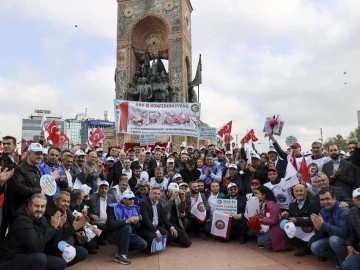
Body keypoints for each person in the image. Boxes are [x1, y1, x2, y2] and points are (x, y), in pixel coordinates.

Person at [0, 193, 67, 270]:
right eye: (36, 206)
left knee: (60, 263)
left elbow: (50, 243)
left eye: (42, 206)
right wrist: (52, 227)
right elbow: (36, 245)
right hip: (11, 260)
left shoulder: (42, 219)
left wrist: (58, 227)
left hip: (29, 255)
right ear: (29, 206)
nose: (40, 209)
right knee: (40, 259)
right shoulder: (21, 220)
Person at [44, 191, 88, 266]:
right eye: (64, 201)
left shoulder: (66, 211)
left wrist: (76, 233)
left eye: (68, 201)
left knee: (84, 250)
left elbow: (71, 227)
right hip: (53, 246)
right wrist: (73, 228)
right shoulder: (50, 213)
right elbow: (55, 239)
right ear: (56, 201)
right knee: (80, 253)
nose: (67, 204)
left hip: (66, 243)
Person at [309, 189, 350, 267]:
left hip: (345, 239)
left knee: (334, 240)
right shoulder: (322, 211)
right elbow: (321, 234)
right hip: (331, 238)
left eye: (327, 198)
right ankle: (339, 259)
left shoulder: (343, 210)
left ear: (334, 198)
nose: (325, 202)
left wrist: (323, 224)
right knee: (315, 247)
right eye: (322, 200)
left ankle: (344, 264)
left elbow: (343, 232)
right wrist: (317, 227)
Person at [106, 190, 147, 265]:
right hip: (114, 235)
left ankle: (122, 249)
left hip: (130, 235)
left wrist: (136, 222)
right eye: (129, 199)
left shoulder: (136, 208)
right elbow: (110, 225)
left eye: (133, 199)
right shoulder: (114, 207)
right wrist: (127, 221)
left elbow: (138, 227)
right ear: (123, 200)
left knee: (143, 244)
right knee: (127, 227)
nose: (132, 201)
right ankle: (121, 255)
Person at [281, 184, 321, 256]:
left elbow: (315, 220)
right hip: (300, 229)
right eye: (296, 191)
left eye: (301, 191)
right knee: (286, 230)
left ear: (306, 191)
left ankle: (311, 248)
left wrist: (297, 220)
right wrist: (287, 216)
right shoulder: (292, 205)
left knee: (315, 246)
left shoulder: (313, 203)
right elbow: (292, 219)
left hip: (313, 230)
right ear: (293, 192)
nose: (299, 193)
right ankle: (303, 248)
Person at [138, 187, 174, 252]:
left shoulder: (158, 203)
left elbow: (163, 217)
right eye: (154, 193)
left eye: (158, 194)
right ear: (149, 194)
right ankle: (146, 250)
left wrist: (171, 227)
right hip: (145, 227)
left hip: (155, 225)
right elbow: (146, 220)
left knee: (166, 233)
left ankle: (158, 247)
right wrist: (156, 231)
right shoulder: (144, 203)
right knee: (153, 237)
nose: (156, 195)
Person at [255, 186, 289, 251]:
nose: (257, 196)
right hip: (270, 227)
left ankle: (278, 243)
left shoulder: (271, 204)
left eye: (258, 194)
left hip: (276, 228)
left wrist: (260, 220)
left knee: (261, 241)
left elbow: (274, 221)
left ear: (264, 195)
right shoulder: (264, 203)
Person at [13, 143, 44, 210]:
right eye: (37, 154)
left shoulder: (37, 169)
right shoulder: (20, 169)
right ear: (29, 155)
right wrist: (40, 190)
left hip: (36, 207)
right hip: (24, 209)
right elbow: (21, 189)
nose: (40, 156)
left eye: (41, 154)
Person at [160, 183, 192, 247]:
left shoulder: (177, 196)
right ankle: (171, 238)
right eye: (173, 193)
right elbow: (163, 212)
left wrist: (183, 199)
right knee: (172, 237)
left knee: (187, 242)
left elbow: (181, 210)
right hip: (166, 223)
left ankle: (173, 237)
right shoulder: (161, 197)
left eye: (177, 193)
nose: (176, 194)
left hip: (177, 222)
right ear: (168, 191)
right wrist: (171, 199)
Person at [342, 188, 360, 270]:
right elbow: (353, 232)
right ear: (354, 201)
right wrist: (349, 244)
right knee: (347, 265)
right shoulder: (353, 212)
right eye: (359, 199)